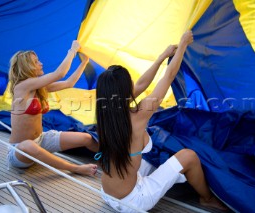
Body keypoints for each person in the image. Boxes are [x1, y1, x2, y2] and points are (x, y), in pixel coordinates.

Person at [95, 31, 227, 212]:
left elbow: (141, 84)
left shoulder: (105, 113)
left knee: (152, 154)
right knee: (189, 156)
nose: (135, 84)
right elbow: (169, 76)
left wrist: (161, 58)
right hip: (133, 202)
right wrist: (183, 44)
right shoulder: (138, 117)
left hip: (107, 193)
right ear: (125, 91)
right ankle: (207, 198)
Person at [7, 40, 98, 176]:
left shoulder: (39, 87)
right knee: (28, 145)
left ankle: (108, 158)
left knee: (87, 138)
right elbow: (59, 73)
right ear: (27, 67)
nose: (41, 63)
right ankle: (76, 168)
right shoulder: (22, 87)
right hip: (19, 151)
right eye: (36, 62)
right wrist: (72, 51)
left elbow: (69, 82)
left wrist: (84, 63)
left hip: (41, 140)